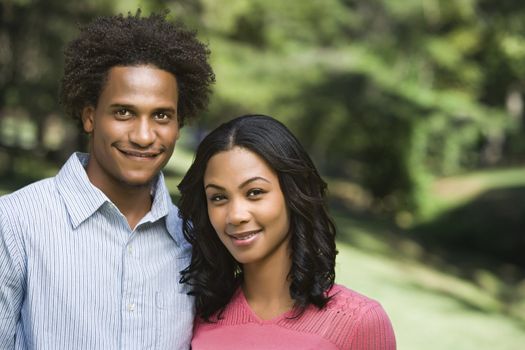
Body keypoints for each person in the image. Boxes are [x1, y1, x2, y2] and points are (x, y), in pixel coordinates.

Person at [0, 11, 214, 349]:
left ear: (178, 125)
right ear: (90, 117)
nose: (144, 136)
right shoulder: (15, 222)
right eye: (124, 112)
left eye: (161, 115)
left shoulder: (195, 242)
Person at [178, 115, 396, 349]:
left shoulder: (359, 322)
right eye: (218, 197)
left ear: (293, 195)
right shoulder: (198, 313)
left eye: (254, 192)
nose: (236, 215)